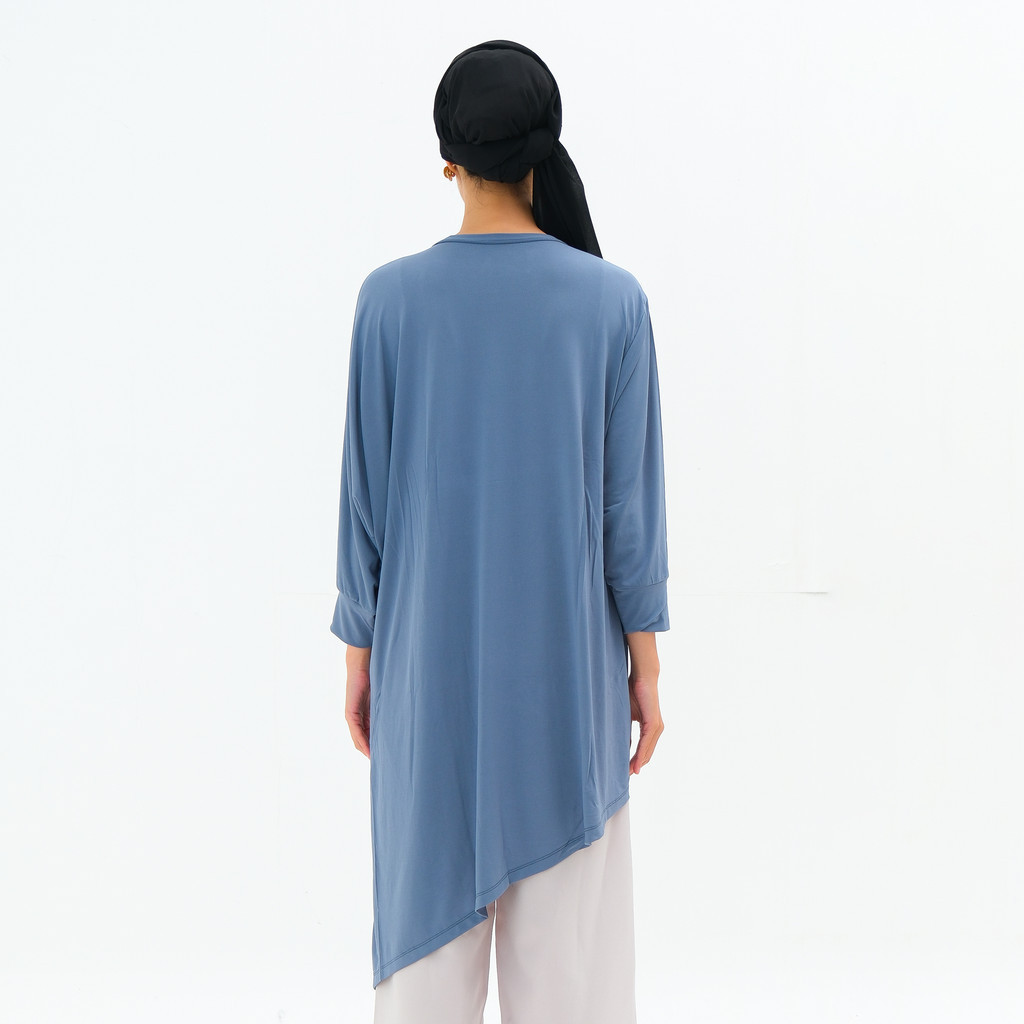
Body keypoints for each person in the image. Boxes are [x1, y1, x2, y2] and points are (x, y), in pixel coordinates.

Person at [330, 38, 670, 1024]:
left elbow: (364, 510)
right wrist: (646, 671)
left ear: (447, 159)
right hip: (567, 695)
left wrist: (360, 656)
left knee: (421, 987)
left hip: (427, 690)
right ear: (543, 149)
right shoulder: (612, 302)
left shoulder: (388, 301)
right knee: (571, 993)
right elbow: (629, 519)